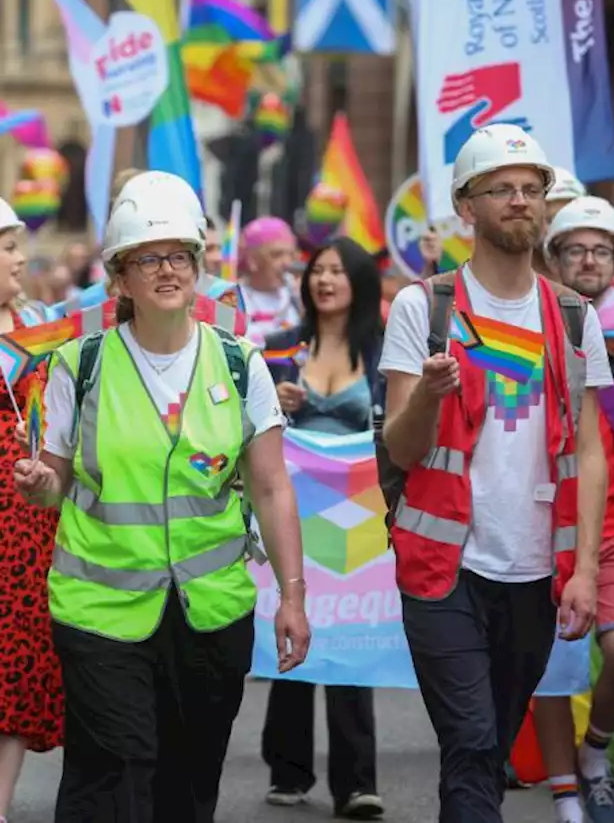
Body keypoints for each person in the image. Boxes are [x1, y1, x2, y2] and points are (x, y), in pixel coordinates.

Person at [15, 171, 310, 822]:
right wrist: (43, 483)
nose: (167, 268)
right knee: (118, 768)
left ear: (200, 265)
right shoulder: (78, 366)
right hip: (100, 614)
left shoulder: (241, 364)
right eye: (147, 257)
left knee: (189, 780)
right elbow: (56, 480)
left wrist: (293, 595)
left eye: (179, 253)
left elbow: (269, 484)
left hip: (210, 614)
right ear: (119, 278)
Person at [378, 125, 612, 823]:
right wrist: (427, 394)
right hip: (443, 569)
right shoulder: (426, 307)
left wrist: (588, 569)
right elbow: (399, 447)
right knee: (474, 740)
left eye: (531, 189)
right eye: (501, 188)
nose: (520, 200)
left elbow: (592, 451)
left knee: (487, 742)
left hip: (537, 574)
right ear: (466, 206)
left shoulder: (573, 316)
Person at [260, 237, 385, 818]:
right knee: (291, 626)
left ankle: (357, 781)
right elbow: (249, 427)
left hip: (364, 517)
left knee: (353, 640)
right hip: (293, 514)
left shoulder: (384, 352)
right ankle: (287, 769)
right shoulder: (281, 350)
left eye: (337, 271)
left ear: (358, 281)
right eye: (318, 271)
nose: (325, 280)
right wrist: (274, 402)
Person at [537, 196, 614, 823]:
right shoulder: (533, 327)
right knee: (551, 673)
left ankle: (594, 752)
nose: (589, 260)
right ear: (555, 259)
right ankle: (567, 796)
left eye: (601, 250)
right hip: (545, 529)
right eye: (575, 248)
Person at [0, 197, 63, 823]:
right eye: (9, 246)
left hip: (25, 511)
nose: (21, 257)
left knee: (15, 659)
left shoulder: (38, 322)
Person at [239, 217, 302, 345]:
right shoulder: (235, 297)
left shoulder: (296, 298)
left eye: (291, 255)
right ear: (252, 259)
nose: (287, 263)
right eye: (277, 255)